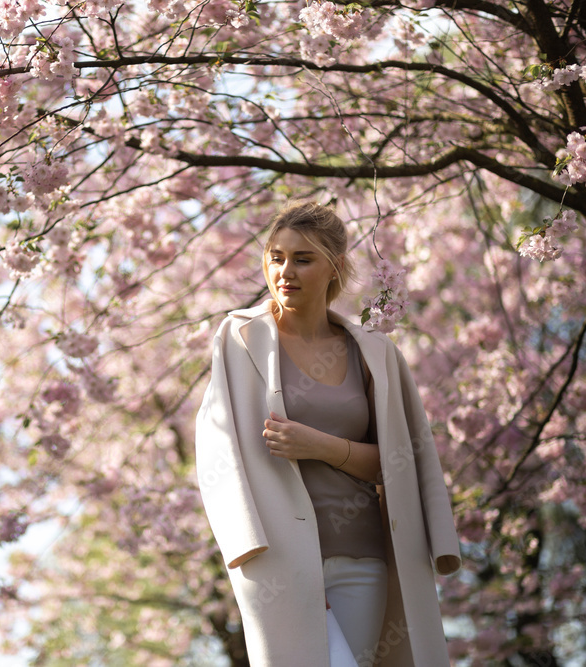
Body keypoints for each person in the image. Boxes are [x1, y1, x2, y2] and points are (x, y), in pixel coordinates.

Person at [195, 203, 462, 666]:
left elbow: (401, 464)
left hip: (362, 559)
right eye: (276, 257)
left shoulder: (375, 353)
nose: (285, 271)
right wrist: (245, 546)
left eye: (303, 259)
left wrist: (320, 446)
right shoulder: (240, 338)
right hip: (279, 559)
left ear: (334, 266)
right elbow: (216, 447)